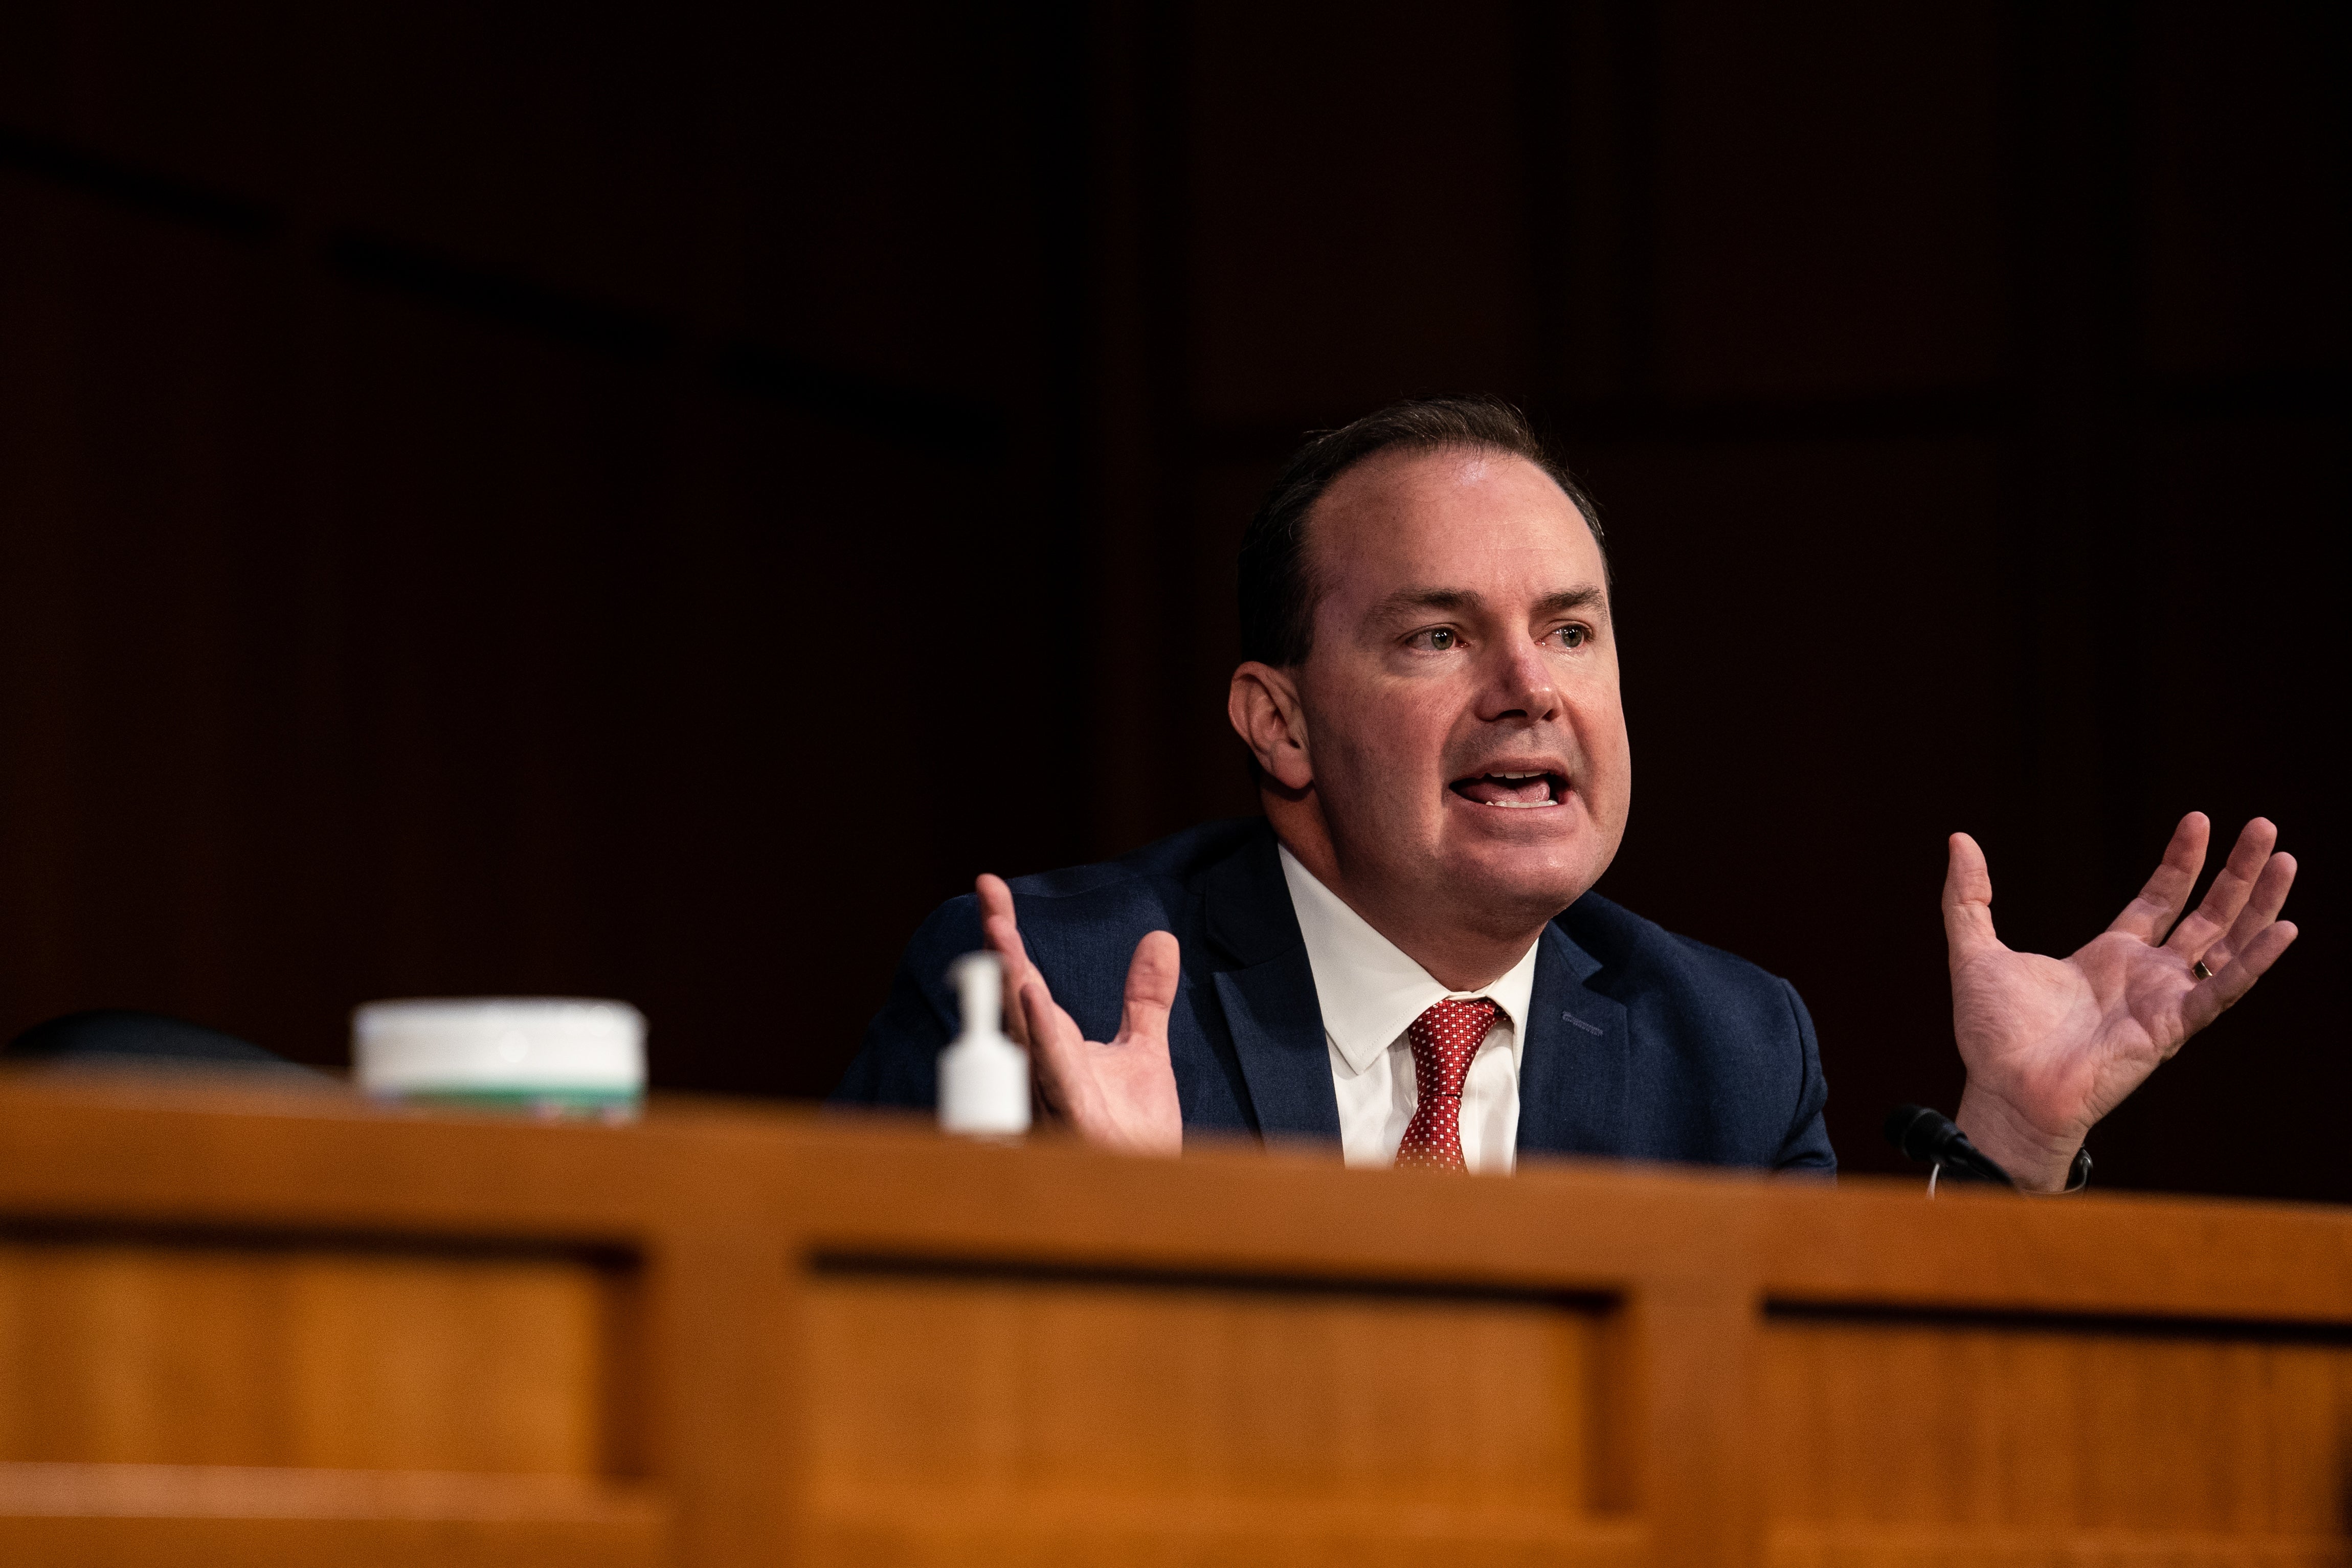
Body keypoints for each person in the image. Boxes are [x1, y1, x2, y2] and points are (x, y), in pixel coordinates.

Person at [833, 397, 2298, 1191]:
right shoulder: (1046, 986)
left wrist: (2016, 1137)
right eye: (1438, 634)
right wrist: (1110, 1232)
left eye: (1573, 630)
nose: (1529, 686)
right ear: (1279, 722)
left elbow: (1838, 1447)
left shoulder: (1721, 1045)